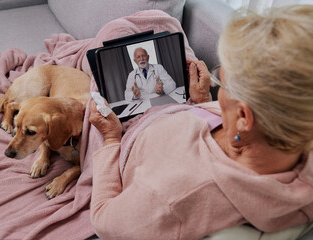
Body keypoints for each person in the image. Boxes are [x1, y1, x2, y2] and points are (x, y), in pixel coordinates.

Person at [89, 5, 313, 240]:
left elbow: (104, 221)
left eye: (221, 83)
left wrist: (112, 138)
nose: (219, 90)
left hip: (127, 132)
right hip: (188, 107)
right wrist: (203, 100)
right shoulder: (290, 134)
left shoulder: (172, 196)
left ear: (244, 117)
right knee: (166, 23)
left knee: (112, 36)